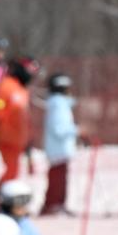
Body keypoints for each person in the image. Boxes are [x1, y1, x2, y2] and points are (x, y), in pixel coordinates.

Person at [0, 56, 39, 205]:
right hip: (6, 137)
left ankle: (5, 202)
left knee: (14, 172)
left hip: (18, 139)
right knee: (11, 171)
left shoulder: (22, 90)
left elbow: (25, 117)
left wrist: (28, 141)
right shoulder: (7, 86)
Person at [41, 74, 79, 215]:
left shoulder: (60, 104)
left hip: (60, 148)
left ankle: (57, 204)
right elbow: (59, 128)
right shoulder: (58, 105)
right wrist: (77, 130)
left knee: (60, 176)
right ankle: (53, 204)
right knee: (57, 177)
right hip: (58, 148)